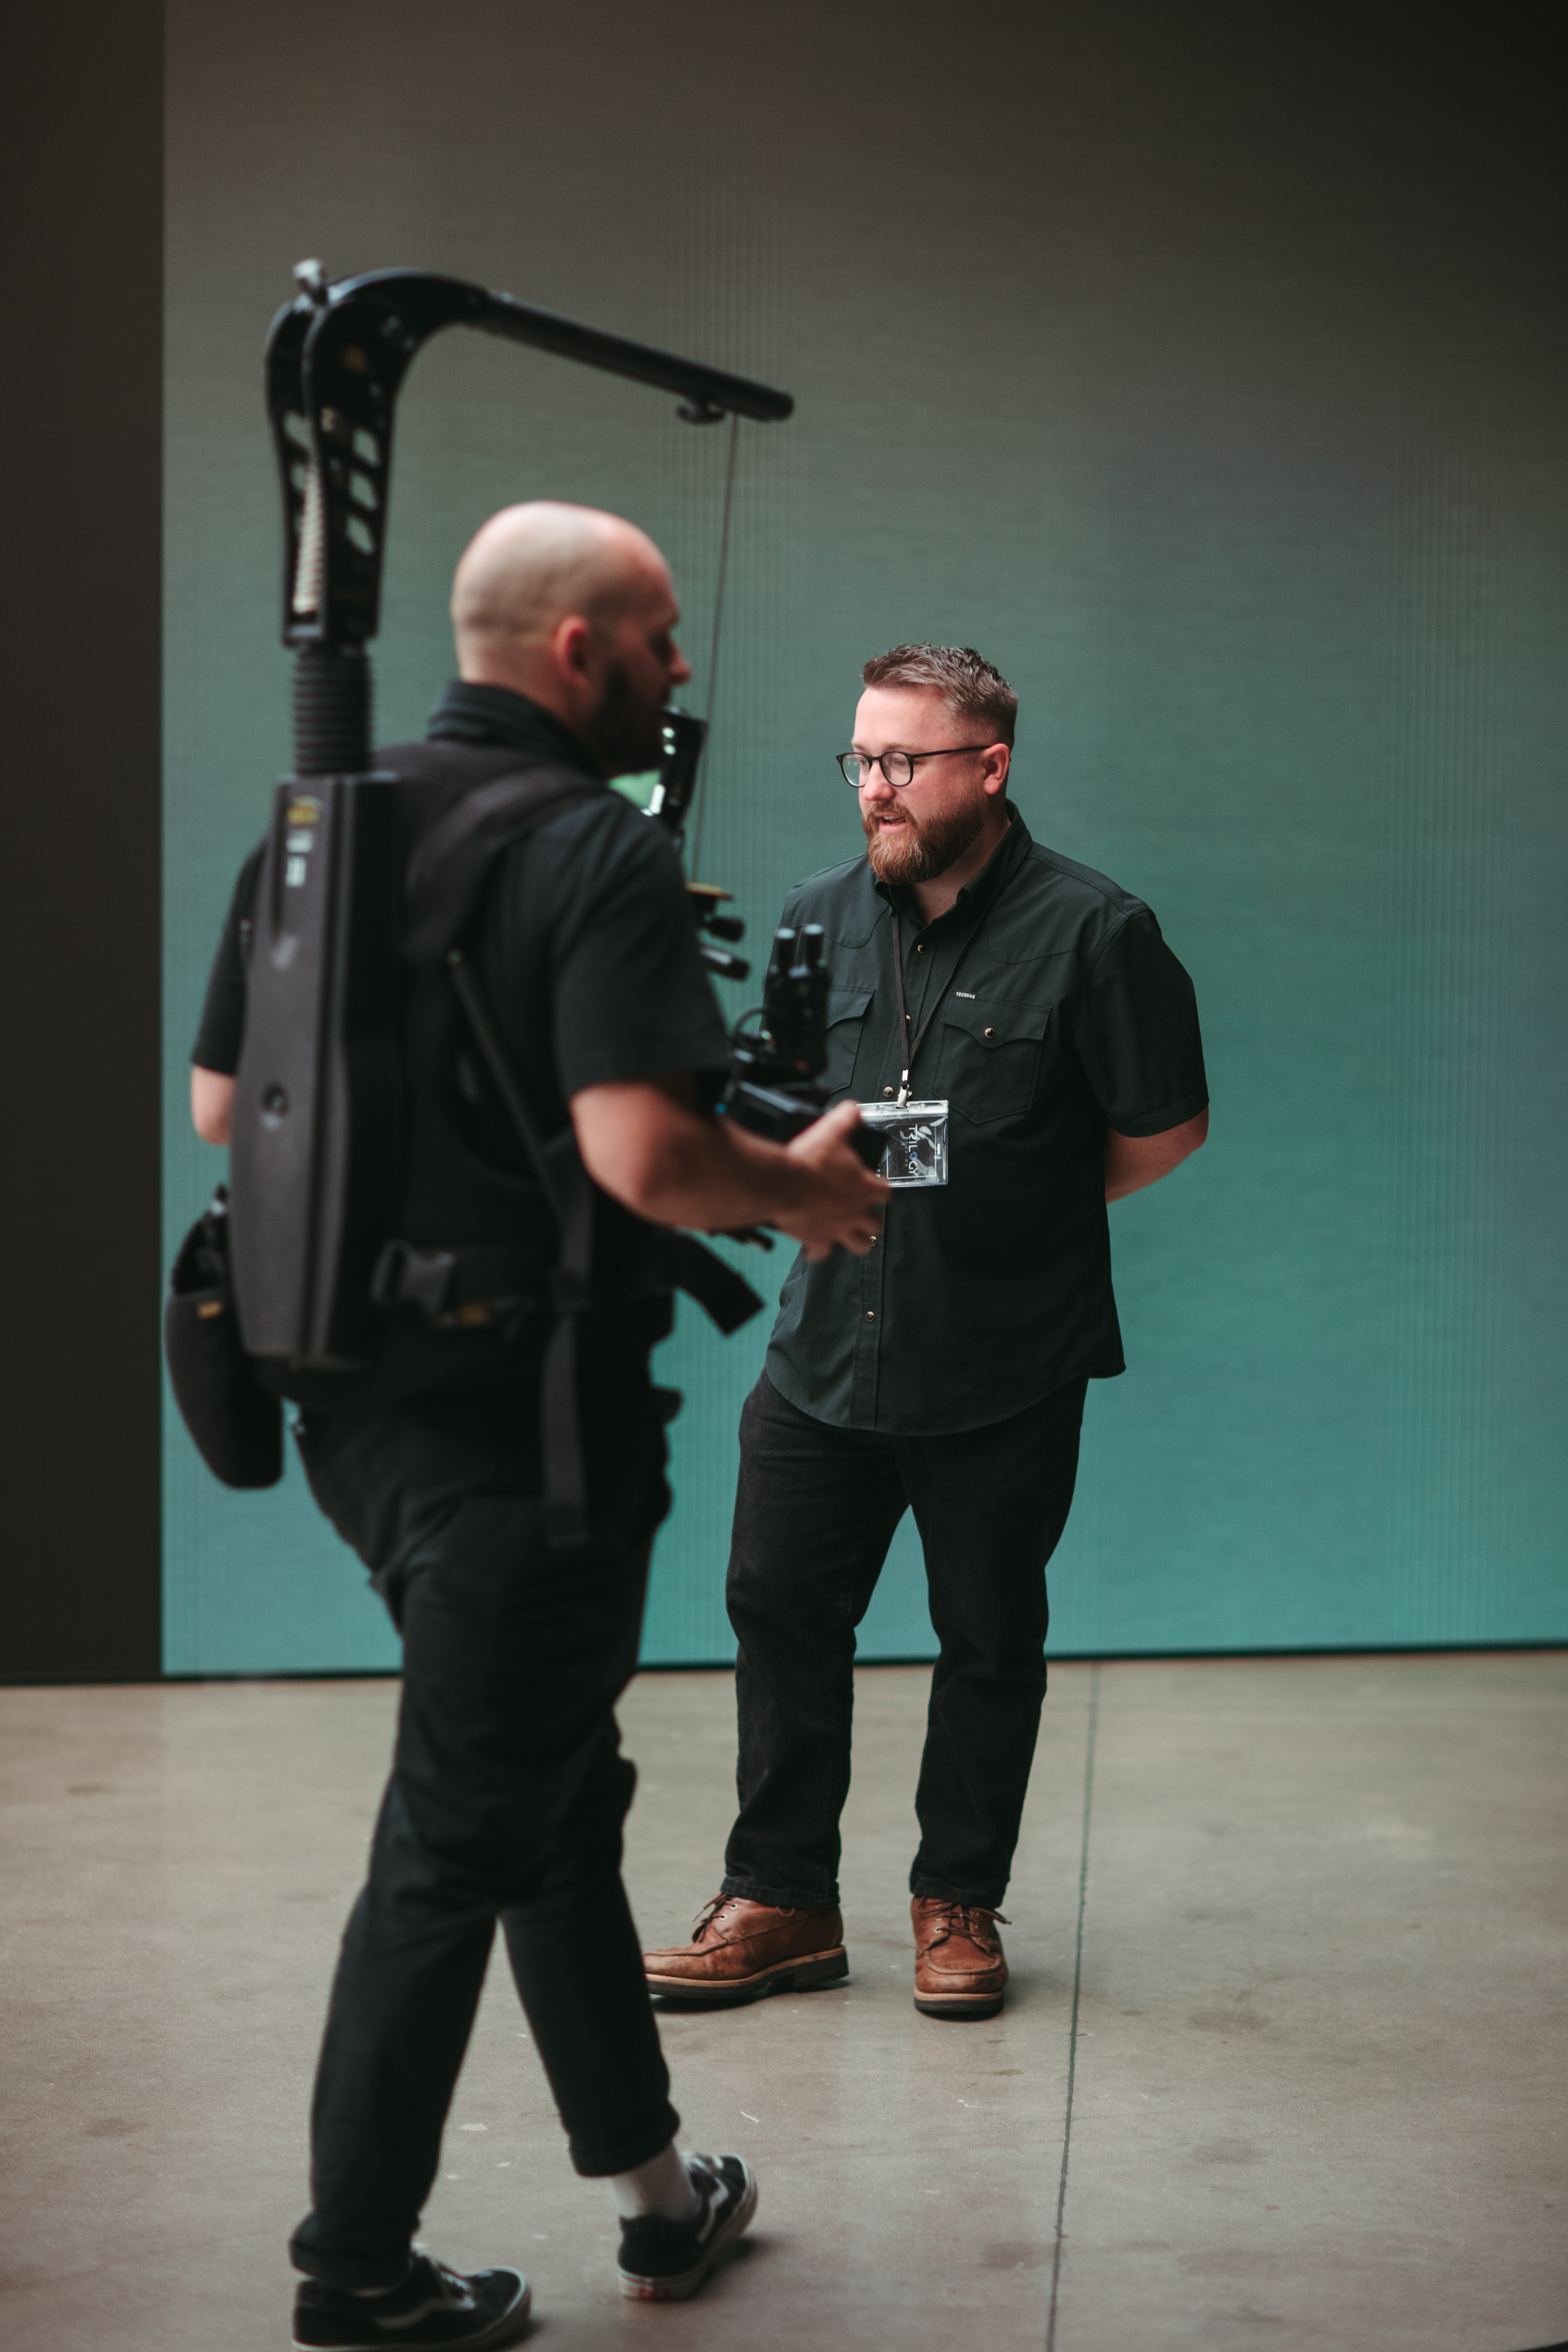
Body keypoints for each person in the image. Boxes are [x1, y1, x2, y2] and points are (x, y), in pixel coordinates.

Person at [189, 502, 888, 2350]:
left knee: (551, 1798)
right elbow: (646, 1155)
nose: (678, 675)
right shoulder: (597, 847)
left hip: (353, 1422)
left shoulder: (319, 829)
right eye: (662, 640)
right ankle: (354, 2274)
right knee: (456, 1835)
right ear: (578, 651)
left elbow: (215, 1106)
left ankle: (659, 2205)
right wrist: (801, 1190)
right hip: (533, 1448)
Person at [642, 643, 1208, 2023]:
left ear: (990, 767)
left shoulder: (1098, 931)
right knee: (778, 1611)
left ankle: (957, 1902)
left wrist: (1017, 1214)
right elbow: (772, 1107)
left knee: (988, 1636)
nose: (875, 790)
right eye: (861, 761)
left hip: (1006, 1357)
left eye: (902, 762)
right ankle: (780, 1901)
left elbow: (1164, 1128)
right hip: (824, 1350)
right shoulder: (816, 914)